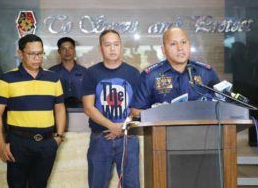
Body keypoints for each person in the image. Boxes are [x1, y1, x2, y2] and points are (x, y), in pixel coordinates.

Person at [0, 34, 66, 188]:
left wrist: (58, 136)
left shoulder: (53, 79)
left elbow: (59, 108)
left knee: (39, 185)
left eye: (40, 53)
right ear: (20, 54)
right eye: (32, 54)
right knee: (16, 185)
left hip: (46, 143)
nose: (37, 58)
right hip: (18, 143)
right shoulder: (7, 79)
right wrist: (0, 144)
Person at [82, 29, 140, 188]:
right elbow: (88, 107)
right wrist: (112, 126)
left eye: (116, 44)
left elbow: (138, 107)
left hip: (128, 138)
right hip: (100, 138)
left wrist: (123, 127)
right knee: (97, 184)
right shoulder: (91, 73)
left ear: (121, 47)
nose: (112, 49)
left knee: (131, 184)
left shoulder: (134, 73)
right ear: (100, 48)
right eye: (108, 45)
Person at [130, 27, 220, 116]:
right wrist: (158, 114)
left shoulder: (206, 72)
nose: (180, 48)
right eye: (173, 44)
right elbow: (136, 110)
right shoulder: (150, 76)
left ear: (189, 45)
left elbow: (221, 103)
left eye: (183, 42)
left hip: (203, 129)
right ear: (163, 50)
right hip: (163, 129)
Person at [49, 37, 86, 107]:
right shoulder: (52, 72)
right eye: (64, 49)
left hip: (81, 112)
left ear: (74, 50)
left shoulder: (84, 72)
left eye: (70, 48)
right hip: (57, 111)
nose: (67, 52)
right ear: (59, 51)